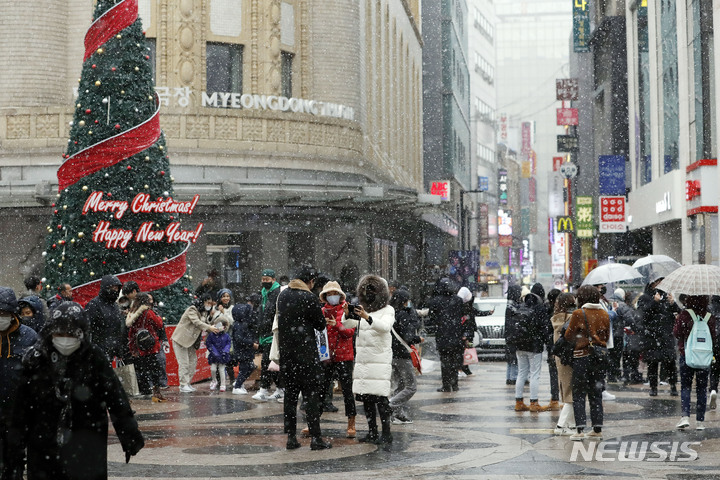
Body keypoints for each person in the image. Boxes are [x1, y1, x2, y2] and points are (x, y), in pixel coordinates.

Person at [5, 302, 144, 478]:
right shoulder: (37, 359)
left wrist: (129, 435)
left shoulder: (94, 358)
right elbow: (22, 406)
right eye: (59, 333)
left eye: (70, 333)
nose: (65, 338)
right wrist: (15, 445)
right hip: (44, 443)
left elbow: (116, 398)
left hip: (87, 441)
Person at [271, 266, 332, 450]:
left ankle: (291, 438)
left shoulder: (283, 296)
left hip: (287, 356)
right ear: (310, 281)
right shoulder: (309, 297)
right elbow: (320, 325)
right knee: (311, 398)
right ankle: (316, 438)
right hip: (306, 356)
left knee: (290, 397)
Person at [345, 274, 395, 444]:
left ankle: (386, 432)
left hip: (379, 361)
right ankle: (372, 431)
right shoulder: (362, 310)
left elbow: (385, 327)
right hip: (364, 362)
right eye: (365, 290)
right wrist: (346, 315)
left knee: (381, 400)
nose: (368, 294)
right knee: (366, 399)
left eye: (372, 290)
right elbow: (348, 325)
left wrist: (367, 317)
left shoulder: (388, 310)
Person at [0, 287, 38, 477]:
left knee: (15, 461)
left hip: (18, 412)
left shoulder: (29, 336)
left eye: (4, 313)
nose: (1, 318)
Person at [564, 285, 610, 441]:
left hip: (581, 356)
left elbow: (569, 336)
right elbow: (607, 336)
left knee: (579, 393)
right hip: (599, 358)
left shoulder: (578, 313)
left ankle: (579, 430)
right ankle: (597, 429)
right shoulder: (604, 314)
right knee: (596, 393)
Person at [319, 281, 357, 437]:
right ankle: (314, 422)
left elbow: (349, 332)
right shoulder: (322, 311)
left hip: (344, 355)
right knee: (321, 390)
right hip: (327, 356)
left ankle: (351, 422)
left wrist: (337, 325)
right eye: (328, 294)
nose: (332, 297)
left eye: (334, 294)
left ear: (340, 295)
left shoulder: (348, 310)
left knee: (347, 391)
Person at [673, 295, 716, 430]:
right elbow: (714, 336)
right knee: (702, 388)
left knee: (686, 386)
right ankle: (700, 421)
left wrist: (678, 322)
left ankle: (685, 416)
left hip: (687, 355)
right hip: (703, 357)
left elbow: (676, 333)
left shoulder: (685, 314)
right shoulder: (709, 316)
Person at [637, 275, 680, 396]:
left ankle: (673, 386)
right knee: (653, 364)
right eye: (658, 282)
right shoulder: (645, 298)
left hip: (666, 336)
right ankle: (653, 387)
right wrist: (654, 303)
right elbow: (642, 316)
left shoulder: (667, 297)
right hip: (652, 337)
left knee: (670, 363)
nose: (661, 284)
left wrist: (673, 304)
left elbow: (678, 313)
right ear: (652, 284)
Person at [171, 294, 219, 392]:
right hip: (181, 340)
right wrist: (209, 327)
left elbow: (205, 324)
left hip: (191, 342)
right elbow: (197, 322)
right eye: (208, 303)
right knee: (184, 363)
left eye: (211, 303)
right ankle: (183, 385)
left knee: (193, 362)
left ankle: (187, 383)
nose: (209, 305)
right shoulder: (192, 310)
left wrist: (214, 326)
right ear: (202, 302)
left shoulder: (204, 313)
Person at [513, 290, 550, 412]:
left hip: (519, 345)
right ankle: (534, 403)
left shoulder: (520, 308)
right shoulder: (539, 309)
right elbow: (544, 329)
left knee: (521, 373)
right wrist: (547, 342)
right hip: (534, 347)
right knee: (534, 374)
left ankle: (519, 402)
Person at [389, 289, 422, 425]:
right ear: (404, 301)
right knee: (411, 387)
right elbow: (408, 336)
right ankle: (390, 406)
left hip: (393, 354)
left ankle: (397, 414)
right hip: (403, 355)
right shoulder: (403, 315)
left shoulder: (392, 313)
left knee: (401, 386)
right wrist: (418, 338)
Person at [126, 292, 166, 402]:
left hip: (140, 347)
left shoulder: (133, 313)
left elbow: (131, 332)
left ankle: (145, 390)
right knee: (155, 369)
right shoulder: (149, 313)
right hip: (151, 346)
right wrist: (158, 316)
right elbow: (159, 324)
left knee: (142, 369)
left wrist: (133, 348)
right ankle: (156, 392)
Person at [429, 279, 464, 392]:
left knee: (445, 362)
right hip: (456, 335)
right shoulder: (458, 300)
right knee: (455, 360)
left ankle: (446, 385)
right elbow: (462, 314)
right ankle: (455, 384)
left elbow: (432, 317)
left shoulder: (435, 301)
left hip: (443, 335)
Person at [254, 268, 283, 402]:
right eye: (263, 279)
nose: (265, 282)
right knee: (271, 363)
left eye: (267, 279)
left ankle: (265, 389)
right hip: (265, 334)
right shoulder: (264, 293)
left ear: (274, 280)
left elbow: (271, 314)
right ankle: (278, 389)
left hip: (272, 333)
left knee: (269, 362)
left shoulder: (277, 293)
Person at [551, 292, 577, 435]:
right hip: (570, 359)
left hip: (561, 358)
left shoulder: (557, 319)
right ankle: (561, 426)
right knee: (571, 394)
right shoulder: (571, 319)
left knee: (568, 391)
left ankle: (571, 426)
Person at [85, 275, 124, 361]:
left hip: (112, 352)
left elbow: (117, 329)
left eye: (116, 288)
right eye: (112, 287)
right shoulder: (94, 305)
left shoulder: (115, 306)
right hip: (99, 352)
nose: (115, 290)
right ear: (105, 288)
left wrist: (119, 349)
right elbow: (86, 328)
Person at [231, 298, 258, 395]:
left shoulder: (243, 324)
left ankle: (239, 382)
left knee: (249, 367)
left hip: (245, 351)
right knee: (245, 368)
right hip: (242, 352)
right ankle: (237, 385)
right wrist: (251, 343)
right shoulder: (239, 325)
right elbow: (239, 339)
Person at [206, 316, 231, 392]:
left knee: (222, 370)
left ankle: (223, 384)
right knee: (213, 369)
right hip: (214, 355)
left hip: (222, 356)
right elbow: (209, 344)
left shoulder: (226, 336)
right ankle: (214, 380)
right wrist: (215, 353)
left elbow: (228, 344)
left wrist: (225, 351)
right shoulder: (211, 335)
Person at [504, 285, 523, 385]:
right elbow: (513, 321)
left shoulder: (509, 304)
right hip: (513, 335)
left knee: (510, 357)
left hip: (509, 335)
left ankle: (509, 377)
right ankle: (513, 377)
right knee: (514, 357)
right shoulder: (513, 306)